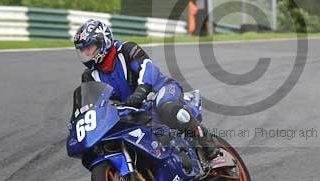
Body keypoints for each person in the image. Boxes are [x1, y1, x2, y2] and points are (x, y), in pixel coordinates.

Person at [73, 19, 220, 161]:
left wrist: (140, 92)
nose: (86, 54)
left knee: (166, 106)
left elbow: (148, 69)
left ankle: (209, 145)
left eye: (89, 48)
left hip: (161, 90)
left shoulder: (127, 50)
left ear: (102, 42)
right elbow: (90, 105)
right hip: (132, 109)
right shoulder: (89, 76)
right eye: (83, 50)